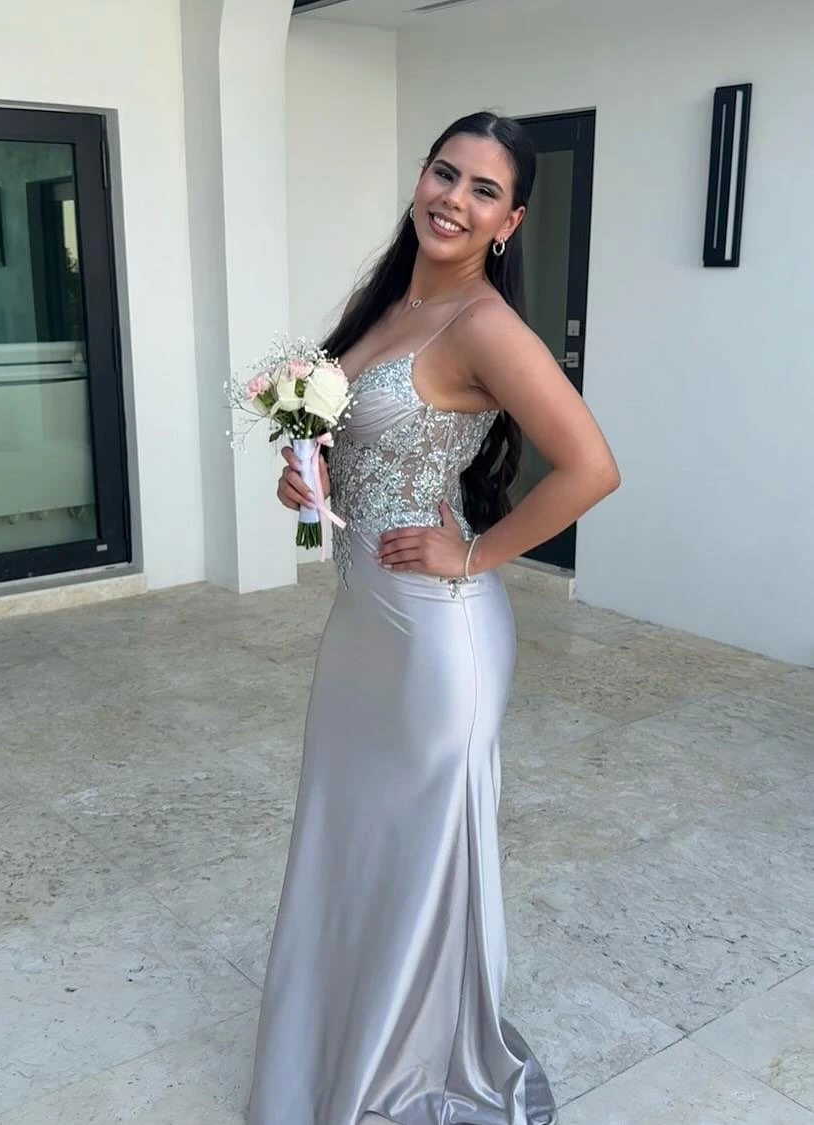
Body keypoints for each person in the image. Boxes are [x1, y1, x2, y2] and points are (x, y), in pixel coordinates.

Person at [248, 110, 620, 1125]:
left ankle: (399, 1069)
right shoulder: (396, 300)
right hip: (365, 624)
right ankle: (345, 1037)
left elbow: (592, 469)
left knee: (416, 858)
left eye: (483, 189)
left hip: (434, 640)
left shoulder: (486, 327)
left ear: (511, 219)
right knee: (353, 841)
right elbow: (356, 439)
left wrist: (473, 551)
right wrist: (306, 473)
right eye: (444, 173)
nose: (454, 198)